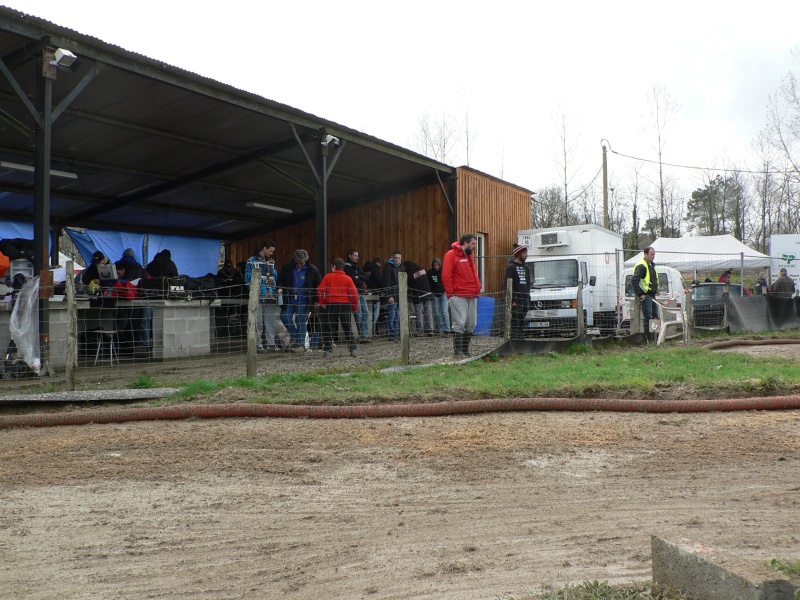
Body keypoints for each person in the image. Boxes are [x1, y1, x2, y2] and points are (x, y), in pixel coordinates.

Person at [443, 233, 482, 358]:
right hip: (459, 294)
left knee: (472, 323)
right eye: (473, 244)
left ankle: (465, 349)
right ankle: (458, 351)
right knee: (459, 323)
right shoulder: (451, 255)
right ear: (465, 243)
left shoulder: (470, 256)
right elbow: (446, 276)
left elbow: (474, 274)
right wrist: (451, 295)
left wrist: (477, 289)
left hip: (472, 294)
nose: (474, 246)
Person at [277, 249, 322, 351]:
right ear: (294, 261)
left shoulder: (312, 270)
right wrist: (280, 288)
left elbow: (318, 285)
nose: (299, 265)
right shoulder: (287, 268)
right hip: (289, 298)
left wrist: (317, 300)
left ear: (305, 261)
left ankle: (300, 344)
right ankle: (296, 337)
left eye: (301, 263)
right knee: (284, 316)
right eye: (297, 263)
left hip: (304, 300)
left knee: (301, 321)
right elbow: (280, 279)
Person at [317, 258, 359, 357]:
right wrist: (354, 306)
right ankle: (352, 349)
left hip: (331, 304)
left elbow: (319, 290)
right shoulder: (348, 279)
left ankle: (328, 350)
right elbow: (354, 294)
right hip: (345, 305)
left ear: (334, 267)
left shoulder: (328, 277)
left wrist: (322, 302)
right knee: (347, 327)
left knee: (330, 328)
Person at [245, 240, 280, 352]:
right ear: (264, 248)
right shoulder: (251, 261)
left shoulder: (272, 262)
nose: (271, 253)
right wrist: (255, 292)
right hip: (258, 297)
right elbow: (248, 279)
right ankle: (257, 344)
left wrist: (276, 290)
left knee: (270, 321)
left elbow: (275, 276)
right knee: (258, 321)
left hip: (270, 296)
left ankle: (271, 344)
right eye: (270, 251)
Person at [344, 249, 372, 343]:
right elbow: (351, 280)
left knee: (366, 313)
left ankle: (364, 334)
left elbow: (367, 278)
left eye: (357, 256)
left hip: (361, 292)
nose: (357, 258)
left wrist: (358, 277)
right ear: (350, 256)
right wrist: (359, 278)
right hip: (353, 293)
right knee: (358, 314)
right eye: (355, 256)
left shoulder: (358, 267)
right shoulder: (346, 267)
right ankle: (362, 335)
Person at [631, 246, 659, 337]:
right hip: (646, 295)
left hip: (652, 295)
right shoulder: (642, 266)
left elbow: (654, 279)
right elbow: (634, 280)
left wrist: (656, 290)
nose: (653, 256)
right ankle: (649, 339)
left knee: (655, 316)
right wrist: (640, 294)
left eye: (654, 254)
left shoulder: (651, 265)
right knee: (648, 317)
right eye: (651, 254)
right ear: (645, 254)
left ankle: (656, 337)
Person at [505, 244, 531, 340]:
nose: (526, 255)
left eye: (526, 253)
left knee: (522, 319)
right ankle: (514, 339)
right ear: (519, 254)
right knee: (515, 319)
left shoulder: (526, 268)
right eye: (524, 253)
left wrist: (528, 297)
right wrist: (511, 299)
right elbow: (507, 284)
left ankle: (521, 338)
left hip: (525, 299)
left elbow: (528, 283)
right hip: (516, 299)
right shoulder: (511, 267)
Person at [404, 259, 434, 336]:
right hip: (427, 293)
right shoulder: (422, 269)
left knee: (419, 313)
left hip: (418, 296)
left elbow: (409, 285)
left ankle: (420, 331)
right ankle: (430, 329)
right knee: (428, 312)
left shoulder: (410, 274)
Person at [427, 257, 450, 336]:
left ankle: (447, 329)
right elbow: (428, 284)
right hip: (434, 294)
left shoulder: (444, 271)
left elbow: (448, 280)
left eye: (437, 265)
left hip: (444, 293)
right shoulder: (429, 273)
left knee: (444, 312)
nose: (436, 267)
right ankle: (439, 329)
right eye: (434, 265)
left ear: (440, 265)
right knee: (437, 313)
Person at [383, 251, 402, 341]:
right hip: (392, 295)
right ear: (393, 258)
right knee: (391, 315)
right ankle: (391, 333)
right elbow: (387, 282)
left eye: (399, 258)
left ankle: (396, 333)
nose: (397, 259)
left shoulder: (401, 268)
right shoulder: (388, 268)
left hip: (399, 295)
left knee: (397, 316)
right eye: (395, 257)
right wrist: (389, 295)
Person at [363, 257, 384, 337]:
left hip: (367, 292)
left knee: (367, 314)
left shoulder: (364, 270)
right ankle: (373, 331)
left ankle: (367, 332)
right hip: (376, 293)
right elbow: (379, 281)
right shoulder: (376, 270)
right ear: (379, 263)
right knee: (375, 314)